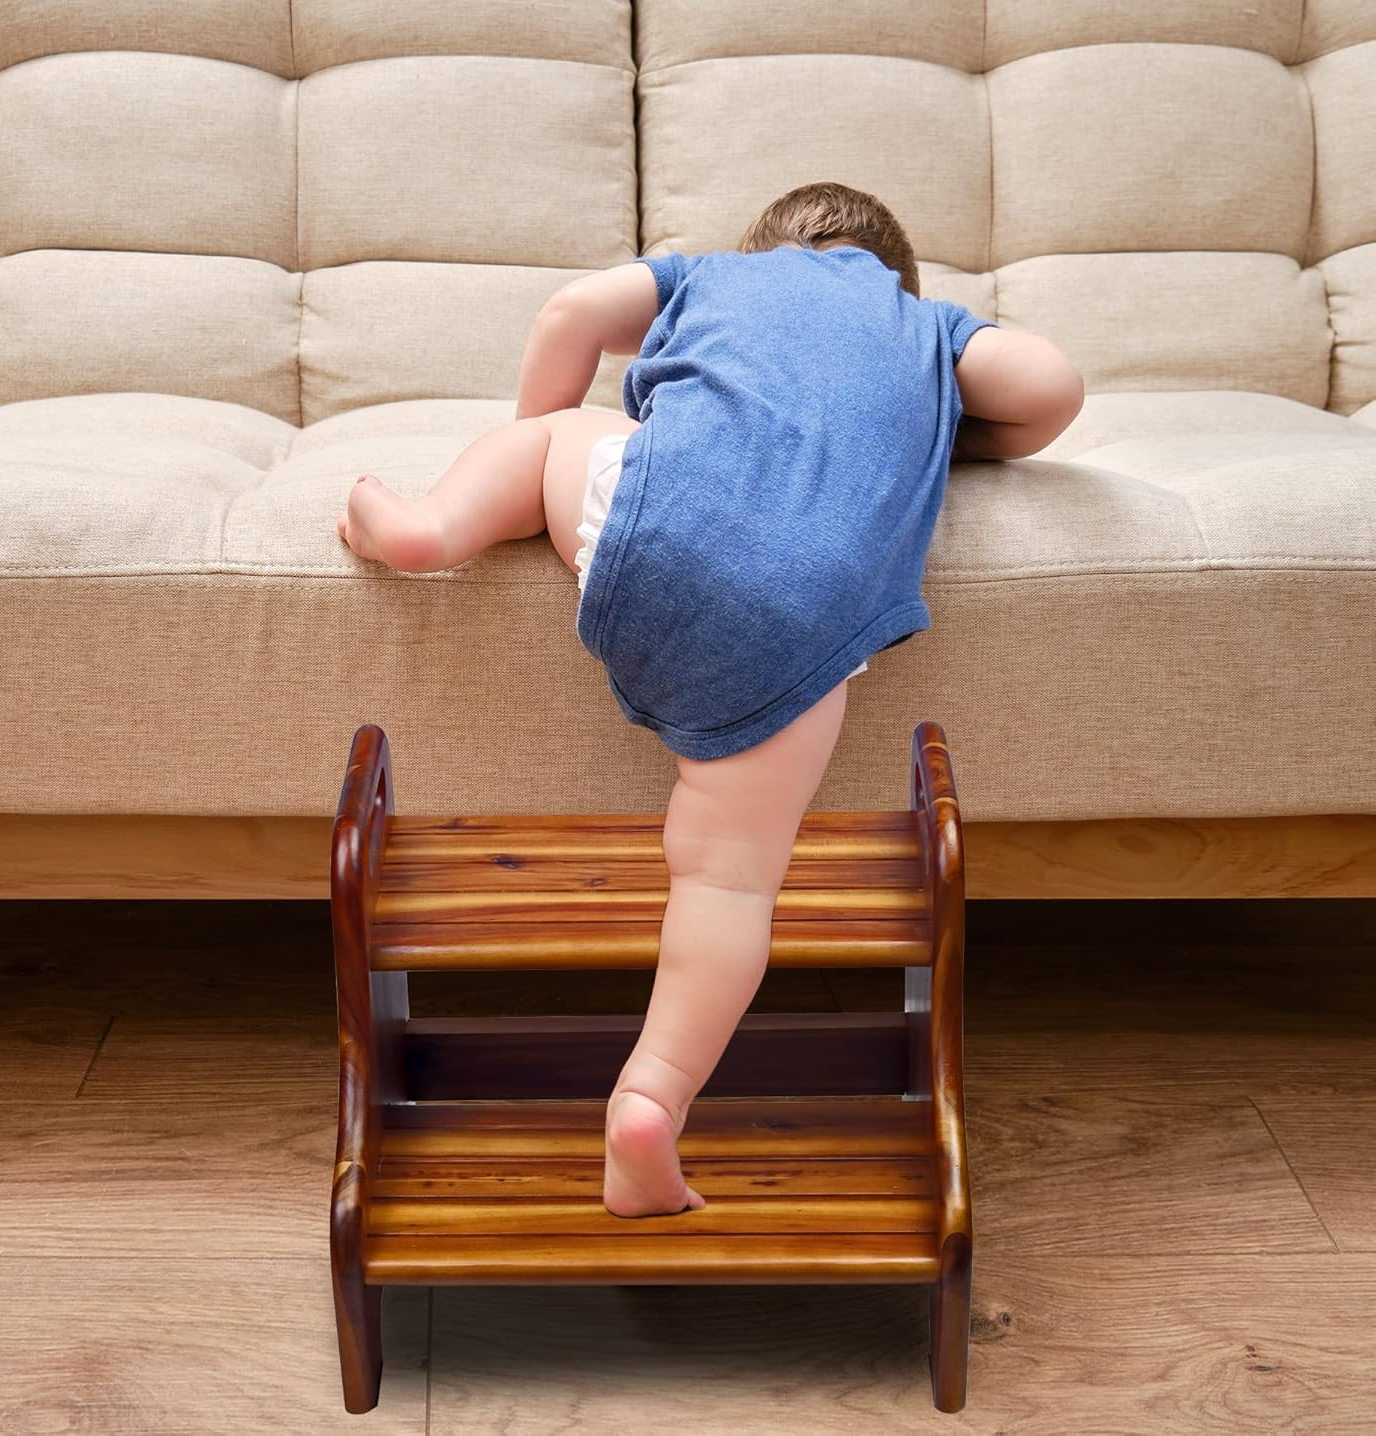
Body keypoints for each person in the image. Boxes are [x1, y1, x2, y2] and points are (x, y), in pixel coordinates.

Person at [337, 181, 1084, 1218]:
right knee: (730, 881)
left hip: (646, 516)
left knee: (562, 437)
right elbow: (1050, 383)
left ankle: (428, 528)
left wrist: (544, 435)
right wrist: (948, 430)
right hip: (815, 609)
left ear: (772, 245)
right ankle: (649, 1101)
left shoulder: (711, 275)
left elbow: (570, 315)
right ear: (892, 273)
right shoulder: (928, 328)